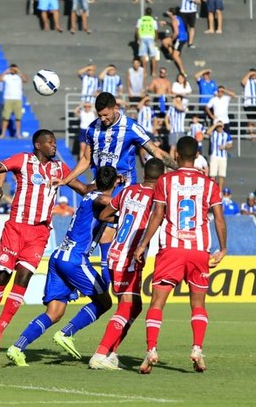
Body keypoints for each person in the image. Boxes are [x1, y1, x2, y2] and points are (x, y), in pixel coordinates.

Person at [0, 130, 90, 355]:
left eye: (55, 142)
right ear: (38, 145)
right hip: (16, 228)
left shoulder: (59, 168)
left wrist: (106, 183)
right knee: (2, 276)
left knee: (23, 279)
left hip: (39, 233)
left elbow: (83, 188)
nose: (54, 146)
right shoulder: (23, 160)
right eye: (50, 142)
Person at [57, 92, 176, 285]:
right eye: (100, 115)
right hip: (100, 187)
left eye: (106, 115)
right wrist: (66, 180)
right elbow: (86, 159)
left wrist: (180, 169)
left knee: (108, 234)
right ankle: (105, 283)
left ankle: (114, 282)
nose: (102, 119)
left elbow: (155, 151)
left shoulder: (131, 127)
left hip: (124, 189)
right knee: (92, 233)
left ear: (116, 109)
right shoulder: (92, 129)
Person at [5, 166, 116, 367]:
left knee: (54, 311)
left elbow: (96, 191)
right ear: (114, 182)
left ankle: (17, 347)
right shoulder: (101, 200)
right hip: (75, 259)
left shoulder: (90, 193)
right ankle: (67, 333)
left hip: (59, 257)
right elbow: (104, 201)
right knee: (105, 301)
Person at [134, 136, 227, 374]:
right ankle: (197, 349)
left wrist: (144, 244)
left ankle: (151, 350)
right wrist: (223, 247)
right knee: (198, 304)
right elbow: (218, 218)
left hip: (171, 250)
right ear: (197, 156)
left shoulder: (165, 181)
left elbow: (157, 215)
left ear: (175, 155)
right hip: (198, 251)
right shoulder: (209, 184)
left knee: (157, 302)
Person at [90, 158, 164, 370]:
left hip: (115, 253)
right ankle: (101, 353)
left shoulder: (128, 191)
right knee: (126, 306)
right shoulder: (158, 198)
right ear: (161, 179)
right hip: (130, 258)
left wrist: (122, 220)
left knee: (136, 306)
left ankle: (112, 352)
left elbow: (104, 214)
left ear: (144, 175)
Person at [0, 64, 29, 139]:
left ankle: (18, 133)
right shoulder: (7, 76)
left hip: (17, 99)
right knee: (6, 117)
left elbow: (26, 80)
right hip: (8, 98)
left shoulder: (19, 76)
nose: (13, 70)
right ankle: (3, 133)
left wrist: (18, 71)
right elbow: (0, 79)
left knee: (18, 118)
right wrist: (6, 71)